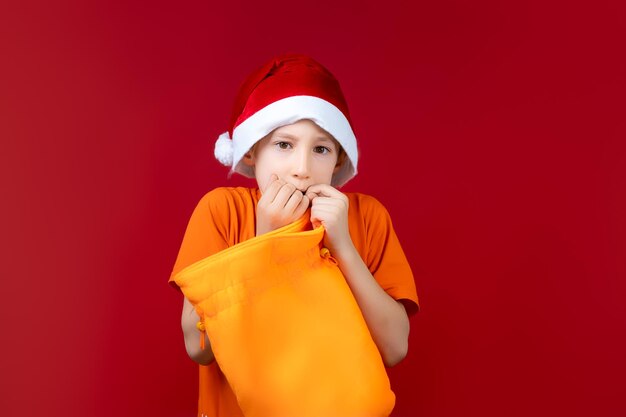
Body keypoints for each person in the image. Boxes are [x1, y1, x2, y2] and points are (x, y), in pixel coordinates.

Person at [169, 53, 419, 417]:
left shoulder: (367, 218)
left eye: (320, 149)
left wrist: (343, 247)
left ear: (338, 160)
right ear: (253, 150)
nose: (302, 169)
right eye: (284, 145)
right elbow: (199, 345)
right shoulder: (222, 211)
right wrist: (265, 242)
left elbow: (395, 347)